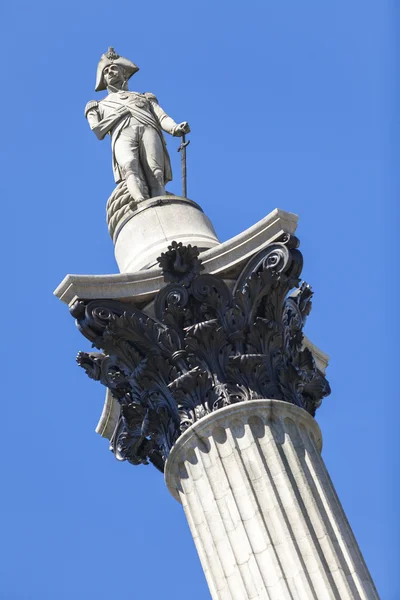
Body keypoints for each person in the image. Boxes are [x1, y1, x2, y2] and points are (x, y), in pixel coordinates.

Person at [85, 48, 190, 202]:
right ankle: (140, 202)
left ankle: (158, 204)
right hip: (121, 134)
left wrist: (175, 128)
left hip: (149, 129)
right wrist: (119, 114)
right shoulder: (97, 105)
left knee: (156, 173)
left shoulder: (145, 97)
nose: (110, 72)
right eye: (106, 71)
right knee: (129, 166)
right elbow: (97, 130)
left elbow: (161, 117)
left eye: (114, 68)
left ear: (124, 73)